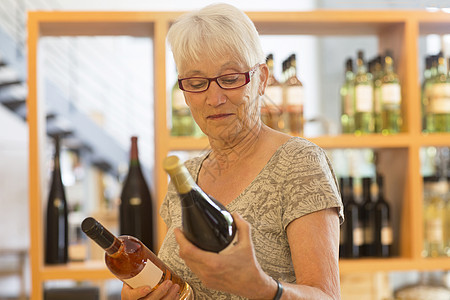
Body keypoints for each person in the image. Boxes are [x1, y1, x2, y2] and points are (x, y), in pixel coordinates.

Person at [122, 3, 344, 300]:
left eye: (230, 79)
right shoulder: (184, 176)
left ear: (262, 79)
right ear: (184, 94)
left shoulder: (299, 162)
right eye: (197, 83)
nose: (214, 98)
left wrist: (262, 288)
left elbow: (326, 296)